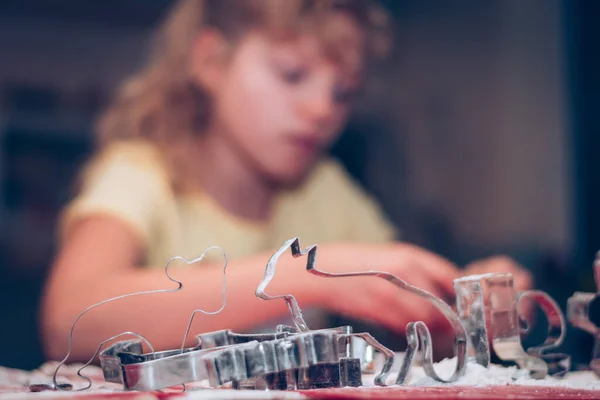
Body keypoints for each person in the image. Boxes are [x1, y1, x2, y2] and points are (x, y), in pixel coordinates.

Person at [41, 0, 531, 362]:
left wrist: (472, 312)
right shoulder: (141, 174)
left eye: (342, 93)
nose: (322, 110)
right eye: (292, 74)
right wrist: (308, 274)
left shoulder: (327, 190)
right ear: (212, 63)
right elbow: (69, 320)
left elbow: (414, 329)